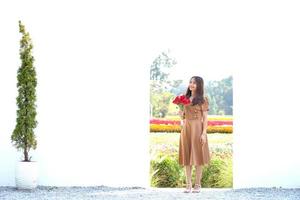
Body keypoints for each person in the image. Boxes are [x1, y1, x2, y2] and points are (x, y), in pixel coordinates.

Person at [178, 76, 211, 193]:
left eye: (194, 83)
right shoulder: (184, 98)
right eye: (190, 82)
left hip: (198, 129)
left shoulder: (203, 99)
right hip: (186, 129)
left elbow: (206, 118)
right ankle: (188, 185)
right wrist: (180, 114)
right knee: (187, 157)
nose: (191, 84)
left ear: (199, 85)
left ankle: (197, 184)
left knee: (198, 157)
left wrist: (204, 133)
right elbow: (183, 117)